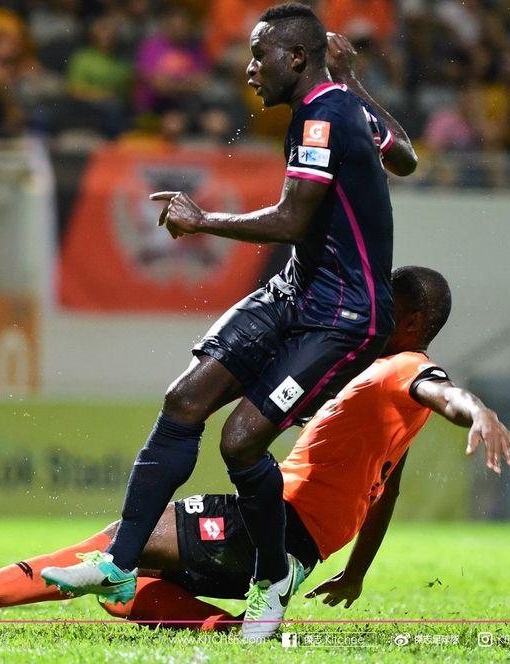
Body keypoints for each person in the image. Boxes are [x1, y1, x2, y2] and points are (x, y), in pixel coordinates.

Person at [41, 3, 418, 642]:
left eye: (258, 55)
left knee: (241, 441)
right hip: (297, 290)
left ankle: (272, 579)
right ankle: (119, 565)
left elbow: (293, 219)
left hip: (344, 316)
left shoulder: (324, 116)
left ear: (295, 57)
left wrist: (203, 221)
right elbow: (403, 155)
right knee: (184, 400)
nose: (248, 69)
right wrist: (352, 79)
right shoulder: (337, 105)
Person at [0, 267, 510, 632]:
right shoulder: (392, 405)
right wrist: (355, 573)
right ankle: (227, 633)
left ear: (411, 321)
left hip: (277, 523)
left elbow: (443, 390)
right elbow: (388, 493)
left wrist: (478, 411)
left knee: (122, 543)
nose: (372, 310)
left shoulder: (402, 368)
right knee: (127, 593)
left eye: (386, 304)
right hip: (297, 542)